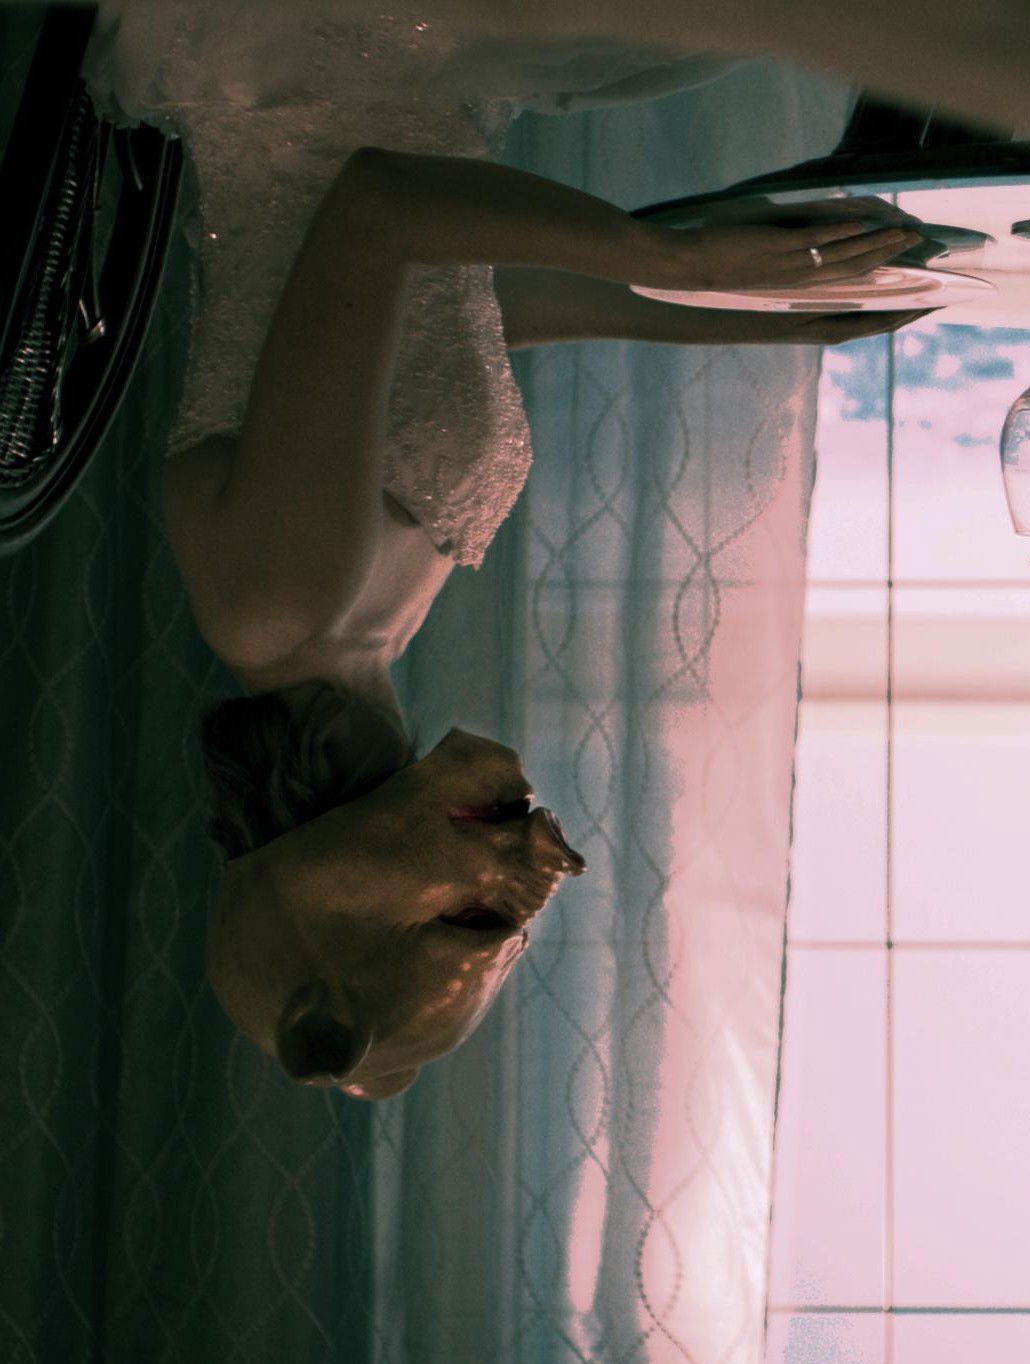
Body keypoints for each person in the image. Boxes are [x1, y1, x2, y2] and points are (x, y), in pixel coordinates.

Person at [85, 1, 932, 1098]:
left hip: (320, 45)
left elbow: (383, 208)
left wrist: (671, 254)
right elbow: (456, 316)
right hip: (406, 76)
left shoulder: (279, 605)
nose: (544, 875)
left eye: (478, 917)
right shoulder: (357, 636)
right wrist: (750, 316)